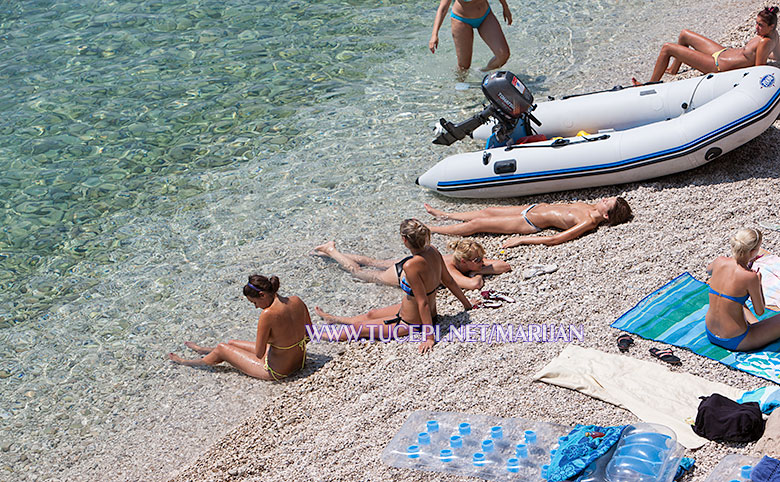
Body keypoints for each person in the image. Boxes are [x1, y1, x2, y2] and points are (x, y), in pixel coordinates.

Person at [314, 219, 473, 354]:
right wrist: (467, 305)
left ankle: (314, 334)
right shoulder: (433, 251)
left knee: (357, 329)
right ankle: (333, 319)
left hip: (410, 323)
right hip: (413, 313)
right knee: (371, 314)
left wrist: (429, 337)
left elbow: (422, 302)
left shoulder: (411, 265)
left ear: (404, 240)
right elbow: (449, 281)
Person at [168, 275, 312, 380]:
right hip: (300, 362)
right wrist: (283, 340)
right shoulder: (296, 300)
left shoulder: (268, 313)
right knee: (231, 343)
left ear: (262, 294)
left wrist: (274, 340)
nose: (256, 307)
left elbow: (260, 354)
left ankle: (186, 362)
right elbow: (310, 335)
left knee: (222, 348)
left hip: (277, 371)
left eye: (254, 302)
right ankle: (203, 350)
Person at [642, 7, 780, 83]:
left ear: (771, 26)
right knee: (684, 34)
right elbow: (777, 54)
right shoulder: (774, 35)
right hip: (723, 52)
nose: (756, 27)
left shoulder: (764, 42)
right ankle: (673, 69)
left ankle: (649, 84)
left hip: (717, 66)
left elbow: (759, 71)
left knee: (667, 48)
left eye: (760, 25)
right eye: (756, 23)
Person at [423, 197, 632, 247]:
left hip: (528, 222)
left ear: (607, 216)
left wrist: (521, 241)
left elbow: (556, 239)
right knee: (487, 211)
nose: (604, 199)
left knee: (477, 224)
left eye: (608, 202)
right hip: (531, 208)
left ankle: (431, 229)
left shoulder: (588, 222)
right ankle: (444, 215)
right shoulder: (591, 207)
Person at [312, 238, 511, 291]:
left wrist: (479, 267)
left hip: (411, 263)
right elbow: (475, 285)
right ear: (464, 261)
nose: (483, 262)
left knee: (373, 262)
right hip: (401, 274)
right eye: (478, 260)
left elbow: (504, 265)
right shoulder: (450, 268)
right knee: (360, 272)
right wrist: (479, 273)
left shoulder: (462, 259)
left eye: (482, 258)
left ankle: (323, 253)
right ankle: (331, 251)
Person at [705, 228, 780, 351]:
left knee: (732, 297)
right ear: (753, 251)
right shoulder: (751, 277)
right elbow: (760, 311)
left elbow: (708, 270)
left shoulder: (719, 261)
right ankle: (758, 329)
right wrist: (758, 282)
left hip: (711, 333)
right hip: (737, 340)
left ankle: (757, 327)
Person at [429, 0, 512, 71]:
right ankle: (459, 86)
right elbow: (443, 8)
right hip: (461, 20)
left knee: (503, 55)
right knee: (464, 67)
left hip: (485, 16)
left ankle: (483, 72)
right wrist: (434, 34)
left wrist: (505, 7)